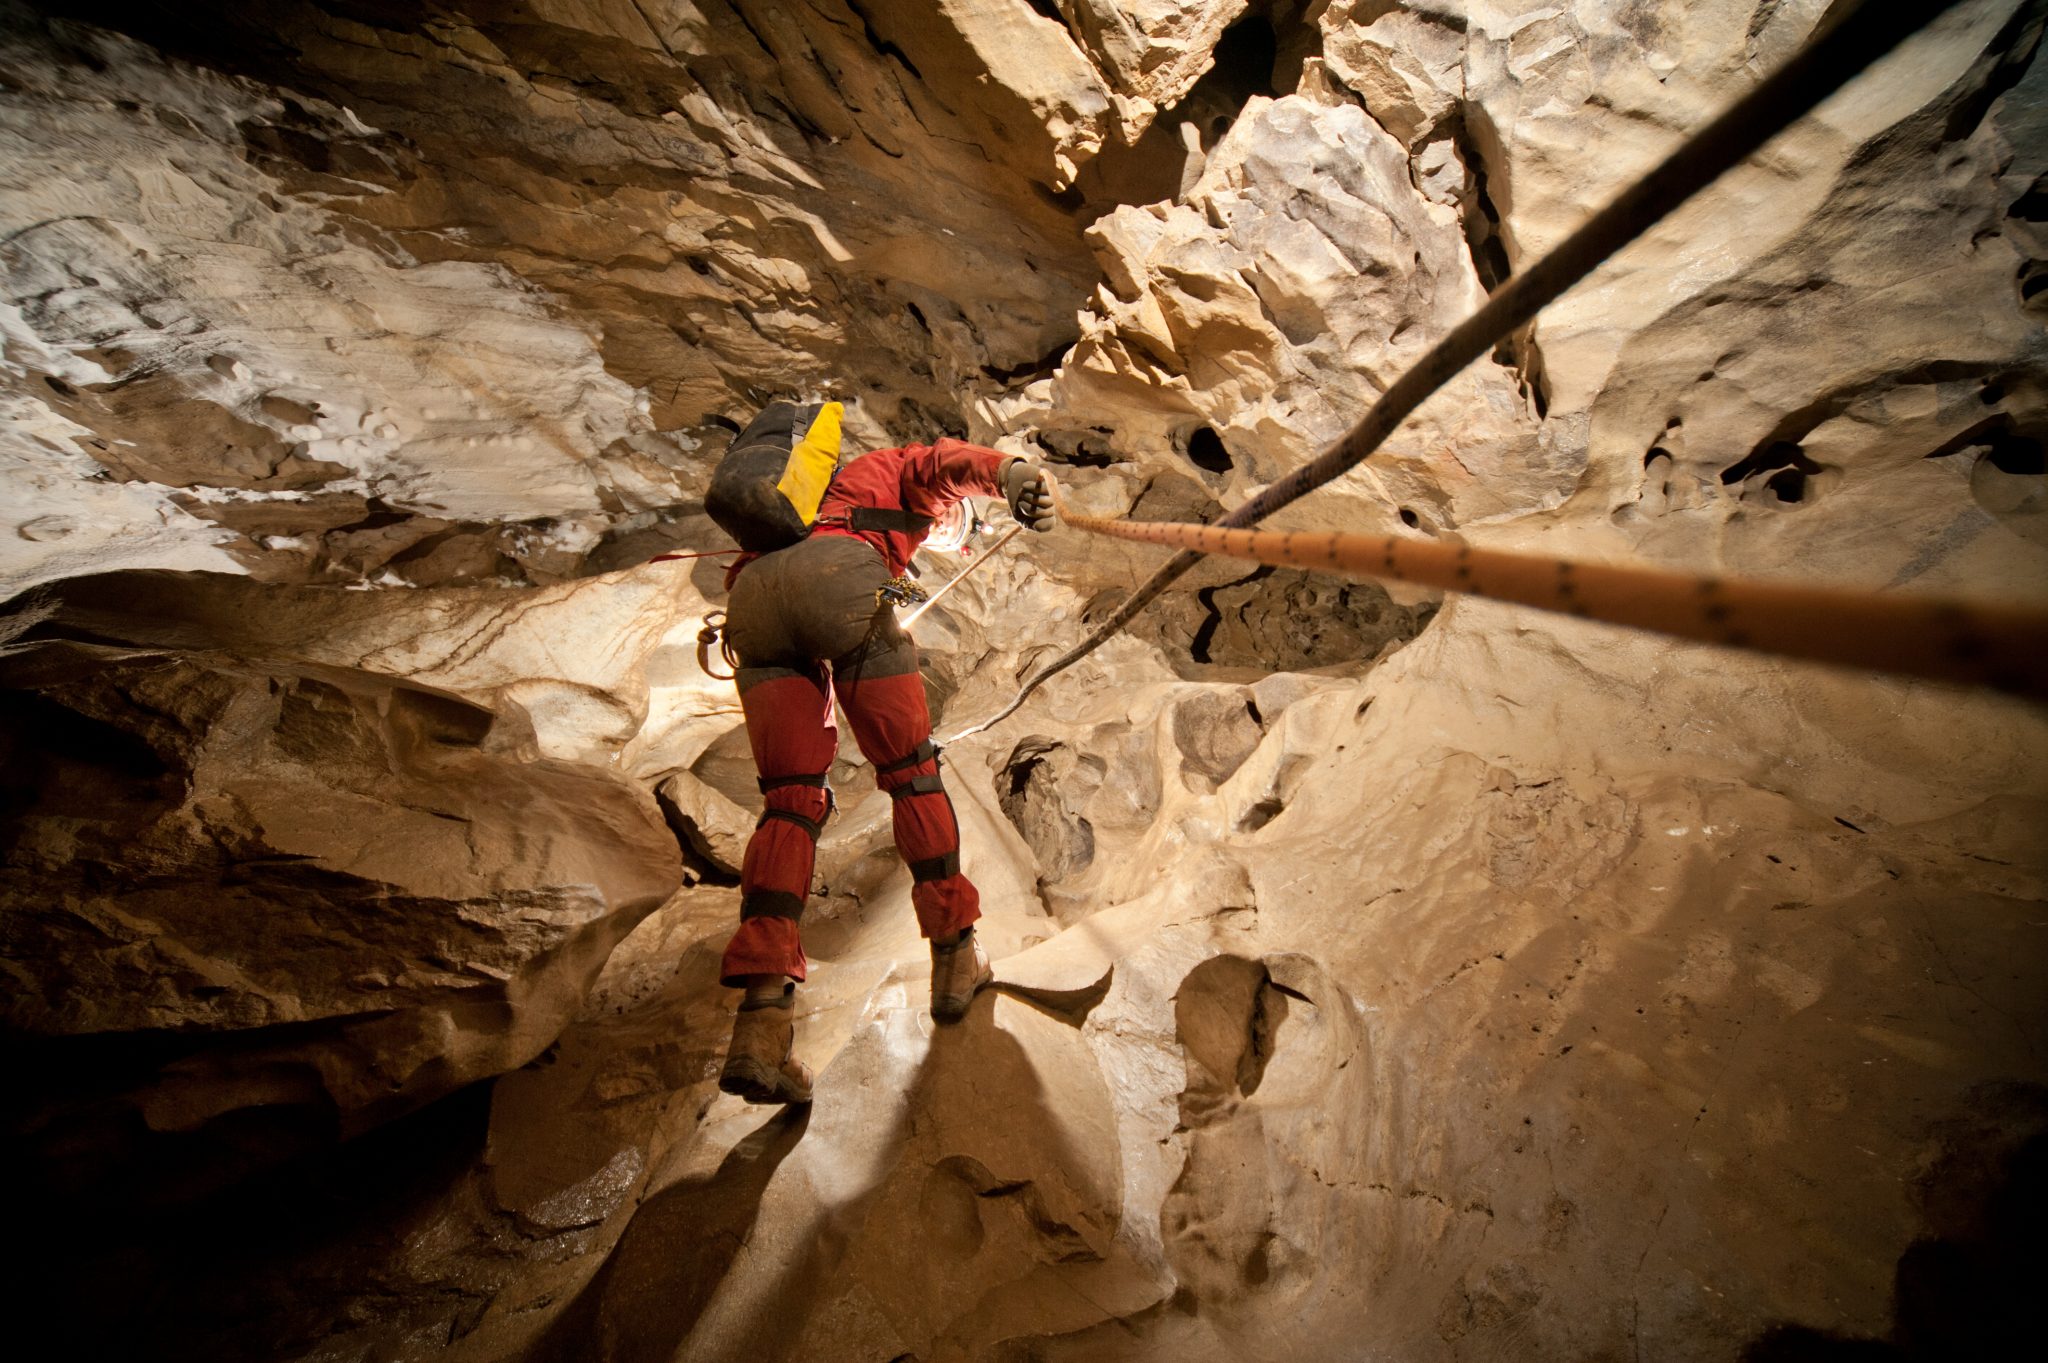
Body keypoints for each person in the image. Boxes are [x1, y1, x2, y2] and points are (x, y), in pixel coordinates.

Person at [715, 435, 1056, 1105]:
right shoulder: (884, 471)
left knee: (788, 803)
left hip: (752, 602)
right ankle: (956, 955)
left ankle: (760, 1024)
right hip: (841, 582)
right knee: (910, 773)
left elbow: (877, 566)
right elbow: (941, 463)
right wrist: (1011, 473)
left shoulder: (789, 509)